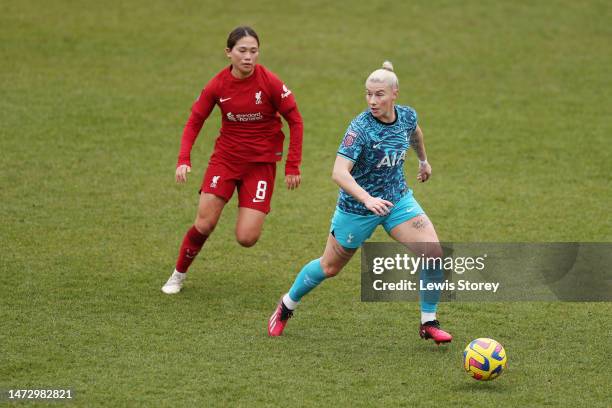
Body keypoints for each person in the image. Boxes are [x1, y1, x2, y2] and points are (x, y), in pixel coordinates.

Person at [268, 61, 451, 344]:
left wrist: (424, 161)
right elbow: (339, 172)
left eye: (379, 94)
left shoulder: (406, 116)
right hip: (357, 208)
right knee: (329, 267)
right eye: (368, 94)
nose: (372, 101)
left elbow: (415, 133)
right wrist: (367, 199)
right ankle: (287, 304)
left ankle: (429, 322)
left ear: (394, 94)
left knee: (433, 253)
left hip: (398, 200)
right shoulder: (360, 129)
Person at [162, 26, 303, 294]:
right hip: (226, 161)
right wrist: (184, 159)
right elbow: (195, 121)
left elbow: (295, 119)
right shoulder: (217, 85)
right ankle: (178, 275)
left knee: (247, 238)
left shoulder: (270, 83)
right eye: (242, 51)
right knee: (204, 222)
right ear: (229, 53)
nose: (248, 57)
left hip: (260, 165)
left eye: (253, 51)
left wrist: (292, 165)